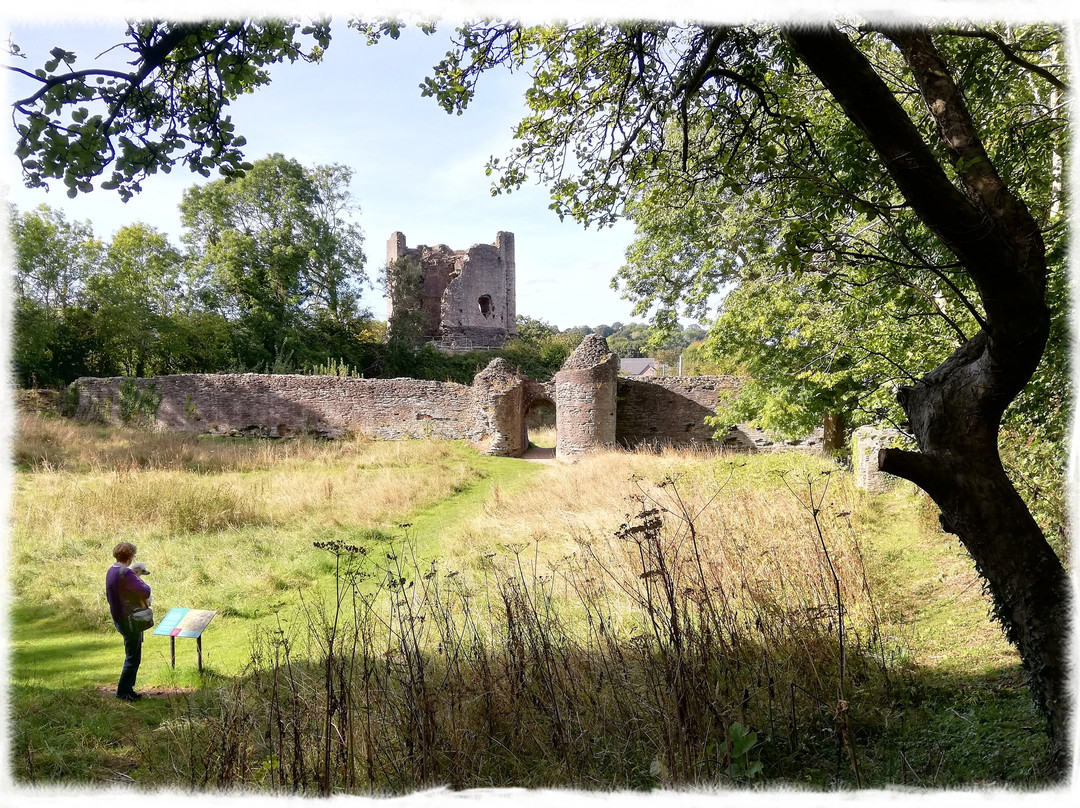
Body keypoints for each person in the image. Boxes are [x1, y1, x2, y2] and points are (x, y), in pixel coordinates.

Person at [105, 542, 152, 702]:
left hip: (119, 617)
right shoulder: (126, 572)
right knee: (133, 658)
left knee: (132, 655)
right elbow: (144, 592)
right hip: (130, 618)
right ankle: (123, 692)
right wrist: (144, 584)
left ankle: (128, 690)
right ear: (130, 556)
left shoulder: (112, 570)